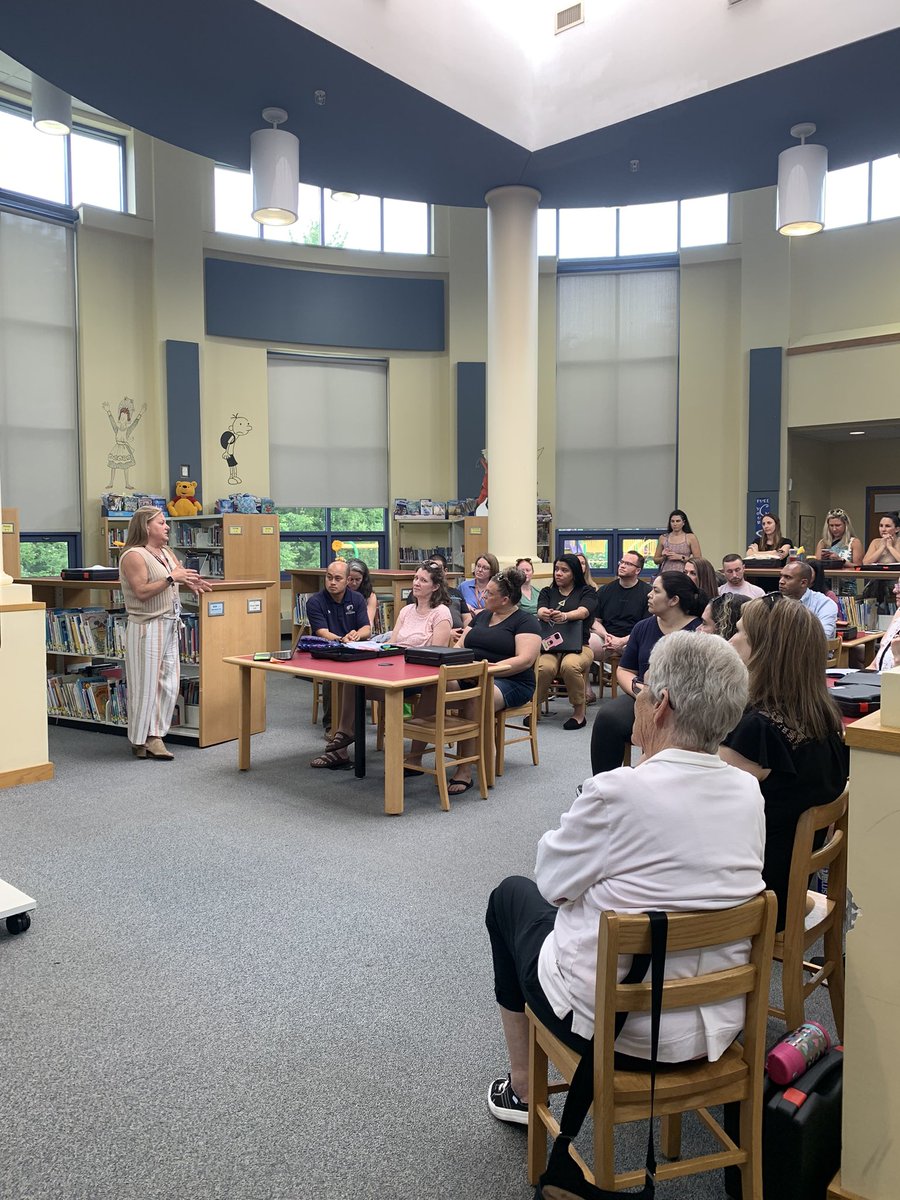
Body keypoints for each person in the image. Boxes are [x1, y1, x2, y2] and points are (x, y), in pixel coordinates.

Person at [484, 632, 765, 1123]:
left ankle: (524, 1090)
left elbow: (552, 882)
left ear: (662, 706)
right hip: (717, 1026)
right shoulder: (748, 792)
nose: (634, 697)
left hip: (619, 1031)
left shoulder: (617, 792)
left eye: (642, 688)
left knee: (511, 897)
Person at [721, 598, 849, 929]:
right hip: (790, 884)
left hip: (755, 895)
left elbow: (701, 815)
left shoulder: (756, 731)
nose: (729, 641)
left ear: (763, 650)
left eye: (739, 633)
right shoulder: (823, 717)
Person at [119, 506, 212, 759]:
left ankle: (156, 735)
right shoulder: (134, 555)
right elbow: (142, 591)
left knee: (169, 684)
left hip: (170, 623)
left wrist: (191, 582)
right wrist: (173, 578)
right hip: (146, 626)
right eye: (161, 523)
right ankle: (140, 739)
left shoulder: (166, 552)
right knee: (145, 684)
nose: (167, 526)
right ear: (146, 526)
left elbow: (177, 577)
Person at [589, 572, 704, 774]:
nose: (649, 595)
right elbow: (624, 670)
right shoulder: (643, 627)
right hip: (644, 695)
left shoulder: (699, 631)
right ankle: (604, 786)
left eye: (656, 591)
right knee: (607, 717)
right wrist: (641, 691)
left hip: (684, 705)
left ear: (674, 600)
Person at [442, 567, 542, 795]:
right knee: (435, 687)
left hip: (511, 681)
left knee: (478, 696)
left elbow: (525, 660)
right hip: (473, 674)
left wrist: (489, 670)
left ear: (505, 599)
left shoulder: (526, 621)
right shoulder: (482, 616)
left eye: (488, 594)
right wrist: (462, 668)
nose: (482, 597)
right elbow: (459, 647)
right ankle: (419, 753)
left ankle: (464, 768)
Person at [306, 559, 372, 769]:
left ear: (347, 581)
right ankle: (332, 727)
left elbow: (366, 629)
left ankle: (344, 736)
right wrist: (340, 638)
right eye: (329, 577)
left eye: (337, 579)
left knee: (358, 682)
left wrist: (356, 635)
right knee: (332, 679)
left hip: (355, 651)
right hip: (330, 651)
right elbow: (321, 632)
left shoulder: (358, 599)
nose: (332, 582)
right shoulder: (315, 601)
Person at [535, 554, 597, 730]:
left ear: (575, 573)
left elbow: (584, 612)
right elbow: (540, 610)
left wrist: (564, 616)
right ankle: (534, 708)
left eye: (564, 570)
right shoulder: (547, 592)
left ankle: (579, 713)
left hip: (580, 647)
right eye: (556, 569)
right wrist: (543, 613)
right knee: (544, 667)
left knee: (569, 666)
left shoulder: (587, 592)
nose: (558, 573)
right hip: (550, 648)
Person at [586, 550, 651, 701]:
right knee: (584, 645)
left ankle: (639, 693)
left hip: (633, 640)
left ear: (638, 570)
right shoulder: (605, 590)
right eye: (621, 562)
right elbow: (595, 621)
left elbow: (646, 625)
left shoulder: (647, 592)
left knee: (645, 648)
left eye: (628, 564)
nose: (622, 566)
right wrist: (606, 636)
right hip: (607, 640)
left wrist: (621, 641)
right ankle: (587, 692)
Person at [778, 560, 837, 637]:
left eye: (788, 577)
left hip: (812, 648)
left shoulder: (824, 604)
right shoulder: (774, 601)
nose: (781, 581)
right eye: (781, 576)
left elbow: (822, 637)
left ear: (803, 583)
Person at [865, 579, 900, 672]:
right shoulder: (899, 612)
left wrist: (898, 659)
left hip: (892, 684)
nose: (895, 590)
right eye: (897, 585)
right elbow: (874, 664)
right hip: (877, 681)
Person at [458, 552, 500, 618]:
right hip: (467, 622)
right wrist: (464, 606)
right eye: (478, 566)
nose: (480, 570)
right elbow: (455, 605)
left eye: (485, 568)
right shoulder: (464, 586)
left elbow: (499, 609)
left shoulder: (496, 589)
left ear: (492, 571)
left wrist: (479, 612)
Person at [346, 558, 378, 629]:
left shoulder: (370, 596)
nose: (354, 583)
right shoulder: (339, 594)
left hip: (362, 633)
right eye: (351, 579)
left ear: (363, 579)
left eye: (358, 579)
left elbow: (369, 623)